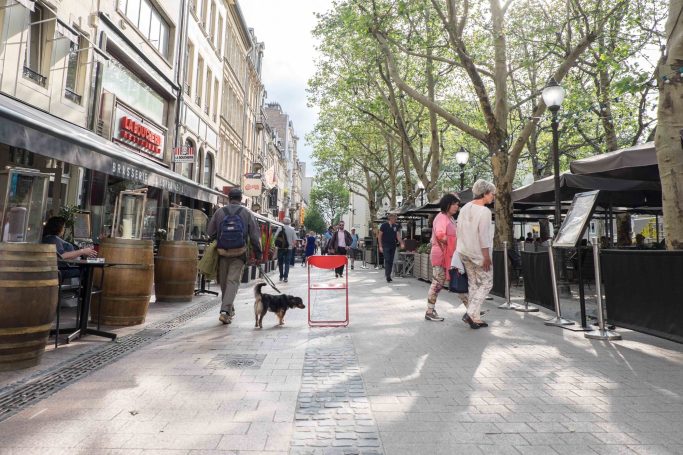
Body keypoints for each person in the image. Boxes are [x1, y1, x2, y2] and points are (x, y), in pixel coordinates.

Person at [207, 187, 262, 325]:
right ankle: (225, 311)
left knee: (224, 283)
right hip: (239, 252)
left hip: (222, 252)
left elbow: (210, 232)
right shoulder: (247, 213)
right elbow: (255, 235)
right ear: (241, 199)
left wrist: (220, 238)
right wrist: (258, 253)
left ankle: (227, 310)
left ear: (228, 198)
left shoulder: (219, 212)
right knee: (233, 282)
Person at [456, 179, 496, 329]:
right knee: (487, 283)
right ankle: (470, 313)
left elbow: (458, 230)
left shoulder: (465, 207)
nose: (493, 197)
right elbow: (483, 236)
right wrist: (487, 257)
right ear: (485, 193)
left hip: (464, 251)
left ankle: (475, 318)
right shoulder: (484, 211)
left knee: (473, 284)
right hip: (478, 253)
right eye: (492, 194)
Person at [425, 193, 460, 321]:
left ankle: (472, 310)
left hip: (449, 254)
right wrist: (456, 243)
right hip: (440, 255)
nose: (456, 207)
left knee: (457, 281)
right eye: (454, 204)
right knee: (437, 283)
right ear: (447, 204)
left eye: (457, 204)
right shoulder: (441, 218)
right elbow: (440, 236)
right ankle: (429, 311)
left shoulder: (451, 218)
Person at [378, 213, 405, 282]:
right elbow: (379, 236)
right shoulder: (384, 225)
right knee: (387, 259)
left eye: (396, 218)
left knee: (390, 261)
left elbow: (398, 236)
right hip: (385, 245)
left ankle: (388, 275)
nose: (396, 220)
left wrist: (402, 243)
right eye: (395, 218)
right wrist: (380, 246)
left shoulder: (396, 226)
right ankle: (387, 275)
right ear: (390, 218)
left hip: (393, 246)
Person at [273, 217, 297, 282]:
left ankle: (281, 276)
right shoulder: (292, 229)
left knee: (280, 263)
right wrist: (292, 246)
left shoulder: (280, 228)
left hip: (280, 248)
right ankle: (285, 277)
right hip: (289, 248)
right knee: (287, 263)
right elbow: (295, 241)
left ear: (283, 222)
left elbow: (275, 237)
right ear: (290, 222)